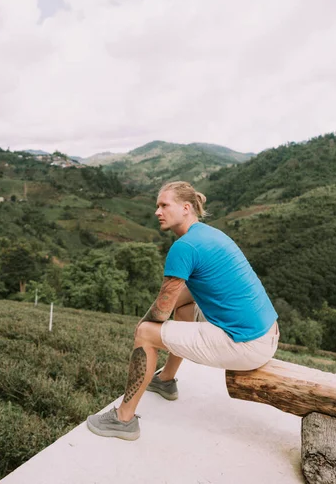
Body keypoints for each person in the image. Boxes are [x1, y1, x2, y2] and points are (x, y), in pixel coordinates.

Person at [87, 181, 279, 441]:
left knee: (145, 333)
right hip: (266, 333)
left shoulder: (183, 247)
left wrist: (142, 329)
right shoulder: (209, 234)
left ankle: (123, 419)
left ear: (186, 208)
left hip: (245, 344)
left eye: (164, 205)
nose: (157, 211)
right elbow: (177, 298)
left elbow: (162, 309)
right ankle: (165, 380)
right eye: (157, 206)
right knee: (185, 304)